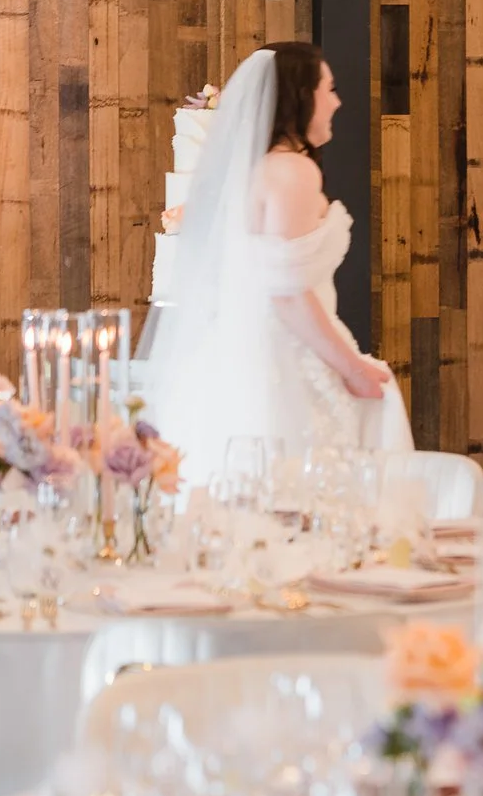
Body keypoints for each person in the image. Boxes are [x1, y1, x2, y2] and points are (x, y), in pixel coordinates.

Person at [142, 41, 413, 479]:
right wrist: (352, 368)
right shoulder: (292, 171)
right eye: (329, 89)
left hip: (233, 356)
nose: (337, 102)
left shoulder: (248, 173)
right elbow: (286, 294)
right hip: (282, 361)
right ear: (301, 96)